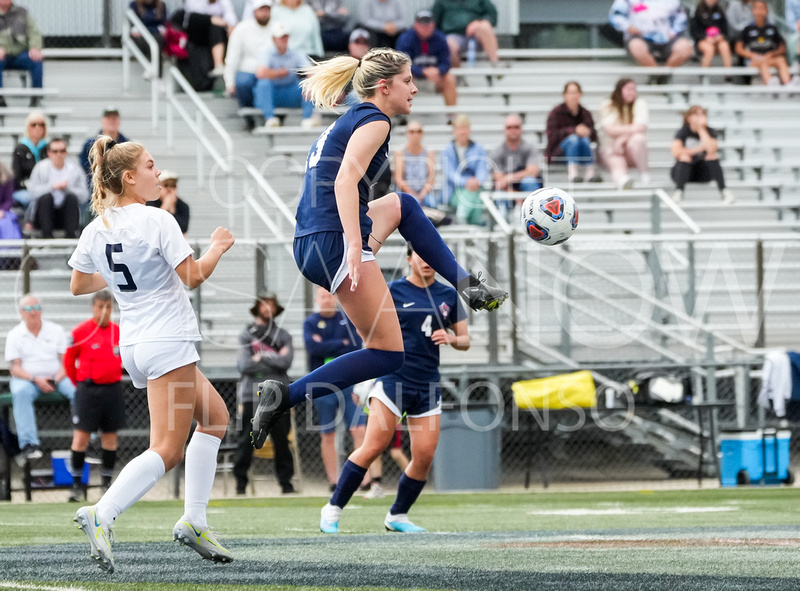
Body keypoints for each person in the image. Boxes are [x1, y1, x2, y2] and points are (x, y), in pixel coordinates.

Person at [249, 48, 507, 455]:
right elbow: (344, 182)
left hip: (313, 239)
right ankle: (285, 396)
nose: (416, 88)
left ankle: (469, 287)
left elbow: (338, 182)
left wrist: (356, 237)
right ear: (384, 87)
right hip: (333, 240)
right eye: (408, 81)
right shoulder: (376, 121)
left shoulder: (355, 117)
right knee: (388, 354)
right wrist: (355, 243)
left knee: (403, 205)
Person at [68, 136, 235, 573]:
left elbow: (79, 284)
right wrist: (217, 247)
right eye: (150, 166)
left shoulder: (96, 228)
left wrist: (129, 279)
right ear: (128, 177)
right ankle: (102, 513)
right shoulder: (158, 220)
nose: (157, 173)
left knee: (215, 417)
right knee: (166, 448)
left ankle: (194, 520)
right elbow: (193, 277)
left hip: (137, 344)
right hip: (168, 340)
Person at [320, 246, 469, 533]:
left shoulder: (448, 294)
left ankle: (397, 515)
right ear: (410, 259)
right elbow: (369, 331)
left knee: (424, 455)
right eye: (421, 256)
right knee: (373, 446)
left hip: (427, 383)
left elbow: (465, 340)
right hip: (393, 380)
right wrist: (367, 375)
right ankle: (334, 506)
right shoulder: (392, 291)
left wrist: (450, 338)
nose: (427, 261)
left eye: (431, 257)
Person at [63, 290, 125, 503]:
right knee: (81, 438)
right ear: (93, 307)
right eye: (100, 306)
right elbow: (69, 363)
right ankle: (77, 486)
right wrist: (80, 385)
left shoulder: (118, 332)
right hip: (88, 391)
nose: (104, 311)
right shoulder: (81, 332)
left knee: (110, 438)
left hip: (112, 389)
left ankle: (106, 485)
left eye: (108, 307)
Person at [303, 287, 366, 493]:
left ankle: (362, 479)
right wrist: (340, 343)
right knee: (327, 433)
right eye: (322, 296)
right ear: (317, 299)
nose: (327, 299)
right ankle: (334, 481)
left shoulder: (347, 319)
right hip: (322, 385)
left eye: (330, 295)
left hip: (348, 383)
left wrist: (328, 345)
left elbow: (355, 347)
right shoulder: (311, 323)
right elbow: (313, 348)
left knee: (358, 429)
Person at [234, 291, 296, 495]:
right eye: (264, 304)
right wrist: (274, 358)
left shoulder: (283, 335)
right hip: (253, 395)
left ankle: (286, 484)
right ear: (257, 307)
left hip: (278, 395)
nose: (268, 308)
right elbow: (244, 365)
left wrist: (261, 357)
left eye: (272, 305)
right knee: (247, 440)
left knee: (282, 441)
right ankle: (240, 485)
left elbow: (286, 363)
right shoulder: (247, 334)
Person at [4, 294, 76, 461]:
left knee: (79, 391)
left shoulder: (56, 330)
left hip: (57, 377)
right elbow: (15, 368)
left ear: (41, 310)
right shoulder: (15, 334)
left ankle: (87, 441)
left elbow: (66, 362)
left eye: (36, 308)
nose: (32, 312)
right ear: (21, 312)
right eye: (28, 309)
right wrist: (35, 379)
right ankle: (29, 444)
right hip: (28, 379)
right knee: (20, 392)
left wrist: (56, 379)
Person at [255, 22, 316, 128]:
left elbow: (311, 71)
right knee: (263, 84)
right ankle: (269, 118)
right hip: (272, 93)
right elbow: (260, 73)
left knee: (309, 84)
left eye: (286, 37)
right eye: (281, 37)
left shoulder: (296, 53)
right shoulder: (266, 53)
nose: (284, 40)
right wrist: (280, 73)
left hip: (289, 92)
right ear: (274, 39)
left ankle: (307, 118)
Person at [670, 105, 734, 205]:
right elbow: (676, 152)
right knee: (684, 157)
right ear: (689, 117)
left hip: (703, 172)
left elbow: (712, 150)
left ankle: (724, 191)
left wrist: (701, 130)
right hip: (683, 171)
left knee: (712, 157)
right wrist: (698, 149)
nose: (699, 117)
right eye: (696, 114)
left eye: (702, 115)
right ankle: (678, 192)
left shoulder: (709, 131)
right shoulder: (683, 131)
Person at [224, 0, 274, 127]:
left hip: (271, 72)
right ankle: (249, 118)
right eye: (261, 10)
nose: (264, 13)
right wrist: (229, 82)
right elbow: (232, 57)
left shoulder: (278, 27)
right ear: (254, 11)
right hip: (248, 71)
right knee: (243, 82)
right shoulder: (242, 29)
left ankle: (274, 116)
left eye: (267, 10)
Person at [396, 10, 457, 110]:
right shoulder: (405, 38)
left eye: (428, 25)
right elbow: (402, 63)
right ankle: (402, 115)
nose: (425, 28)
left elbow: (446, 62)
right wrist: (423, 71)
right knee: (401, 78)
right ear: (415, 25)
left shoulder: (440, 38)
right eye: (422, 25)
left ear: (433, 25)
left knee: (449, 79)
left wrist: (438, 71)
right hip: (413, 78)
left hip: (435, 78)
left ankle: (451, 117)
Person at [28, 138, 88, 239]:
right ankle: (46, 237)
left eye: (62, 151)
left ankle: (71, 237)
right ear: (49, 153)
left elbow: (84, 196)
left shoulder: (75, 169)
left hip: (66, 215)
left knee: (71, 198)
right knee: (46, 198)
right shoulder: (40, 168)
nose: (58, 154)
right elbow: (31, 193)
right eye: (55, 151)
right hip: (44, 215)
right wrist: (52, 187)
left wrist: (68, 188)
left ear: (66, 152)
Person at [609, 0, 693, 70]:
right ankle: (656, 75)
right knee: (636, 46)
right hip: (640, 37)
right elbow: (616, 16)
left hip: (667, 37)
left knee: (685, 46)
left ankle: (663, 76)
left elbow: (681, 17)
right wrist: (629, 27)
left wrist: (673, 32)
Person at [545, 81, 601, 183]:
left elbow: (594, 137)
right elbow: (551, 136)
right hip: (559, 154)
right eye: (570, 93)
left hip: (581, 151)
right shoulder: (556, 113)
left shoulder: (585, 113)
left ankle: (589, 172)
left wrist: (587, 132)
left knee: (583, 139)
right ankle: (573, 172)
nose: (573, 96)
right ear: (565, 95)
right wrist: (573, 131)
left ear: (580, 94)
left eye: (575, 93)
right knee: (574, 139)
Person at [598, 78, 649, 190]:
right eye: (628, 89)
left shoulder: (639, 103)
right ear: (620, 90)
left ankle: (643, 173)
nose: (632, 92)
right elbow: (610, 129)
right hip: (611, 148)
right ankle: (622, 180)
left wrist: (622, 138)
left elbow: (641, 127)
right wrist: (630, 131)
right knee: (617, 161)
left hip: (630, 149)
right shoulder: (608, 104)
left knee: (639, 139)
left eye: (634, 89)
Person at [441, 114, 490, 226]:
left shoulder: (478, 148)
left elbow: (482, 169)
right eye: (459, 128)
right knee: (472, 197)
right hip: (454, 191)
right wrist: (466, 182)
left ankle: (463, 222)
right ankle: (473, 224)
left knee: (473, 196)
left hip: (475, 188)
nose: (462, 132)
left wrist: (477, 181)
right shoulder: (447, 150)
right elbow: (450, 174)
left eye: (465, 128)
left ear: (469, 129)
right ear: (454, 131)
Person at [490, 114, 541, 217]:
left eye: (516, 127)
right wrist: (516, 196)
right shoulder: (497, 152)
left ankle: (535, 216)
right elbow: (500, 182)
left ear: (521, 129)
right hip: (507, 191)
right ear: (504, 130)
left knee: (529, 181)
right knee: (500, 195)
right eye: (509, 127)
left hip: (524, 187)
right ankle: (503, 227)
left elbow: (532, 172)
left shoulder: (529, 149)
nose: (513, 130)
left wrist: (509, 177)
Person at [735, 0, 792, 86]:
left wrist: (771, 54)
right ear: (753, 11)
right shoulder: (747, 29)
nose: (759, 12)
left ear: (766, 11)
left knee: (781, 60)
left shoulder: (772, 29)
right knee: (762, 62)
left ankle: (788, 84)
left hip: (769, 57)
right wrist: (752, 55)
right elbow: (738, 48)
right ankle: (771, 83)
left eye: (762, 9)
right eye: (757, 8)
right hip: (753, 61)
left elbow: (782, 48)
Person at [0, 0, 43, 107]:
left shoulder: (22, 12)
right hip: (2, 57)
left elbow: (34, 33)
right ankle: (0, 99)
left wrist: (35, 48)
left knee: (36, 61)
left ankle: (36, 97)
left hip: (19, 54)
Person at [431, 0, 500, 67]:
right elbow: (434, 24)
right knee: (447, 44)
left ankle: (496, 65)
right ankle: (457, 76)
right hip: (454, 36)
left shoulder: (481, 1)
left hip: (478, 36)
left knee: (485, 27)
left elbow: (492, 16)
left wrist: (477, 23)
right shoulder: (441, 2)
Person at [80, 107, 131, 192]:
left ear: (119, 121)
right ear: (102, 121)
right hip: (94, 187)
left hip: (121, 187)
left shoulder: (127, 144)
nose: (111, 121)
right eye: (108, 118)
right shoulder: (89, 144)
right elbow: (84, 169)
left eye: (114, 118)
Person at [184, 0, 239, 78]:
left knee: (219, 30)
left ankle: (226, 65)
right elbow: (193, 17)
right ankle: (218, 64)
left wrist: (230, 27)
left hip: (218, 33)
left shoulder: (224, 2)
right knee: (214, 27)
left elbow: (231, 18)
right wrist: (213, 19)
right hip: (197, 33)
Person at [11, 110, 48, 211]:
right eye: (33, 124)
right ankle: (30, 222)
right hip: (25, 189)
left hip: (46, 189)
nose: (38, 128)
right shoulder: (20, 149)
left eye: (41, 124)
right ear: (28, 127)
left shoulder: (49, 148)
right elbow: (16, 176)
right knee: (33, 198)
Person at [393, 121, 436, 207]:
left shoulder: (428, 153)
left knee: (432, 203)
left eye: (418, 131)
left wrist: (422, 194)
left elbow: (431, 178)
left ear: (422, 134)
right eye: (412, 132)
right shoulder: (400, 153)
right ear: (407, 134)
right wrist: (411, 193)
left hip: (424, 192)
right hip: (406, 191)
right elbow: (399, 178)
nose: (415, 135)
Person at [129, 0, 167, 77]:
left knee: (157, 41)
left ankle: (156, 72)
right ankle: (151, 66)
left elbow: (163, 23)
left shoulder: (161, 5)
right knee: (146, 41)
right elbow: (133, 24)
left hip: (155, 34)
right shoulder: (134, 5)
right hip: (141, 34)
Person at [690, 0, 733, 69]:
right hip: (703, 40)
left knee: (724, 46)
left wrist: (721, 36)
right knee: (709, 49)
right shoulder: (697, 10)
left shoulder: (719, 10)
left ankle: (729, 74)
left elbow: (725, 29)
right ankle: (704, 74)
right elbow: (694, 30)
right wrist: (705, 37)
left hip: (718, 39)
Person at [146, 170, 190, 235]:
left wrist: (172, 210)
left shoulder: (182, 205)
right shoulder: (150, 203)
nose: (169, 189)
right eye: (166, 185)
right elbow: (151, 225)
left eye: (173, 186)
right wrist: (165, 207)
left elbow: (183, 228)